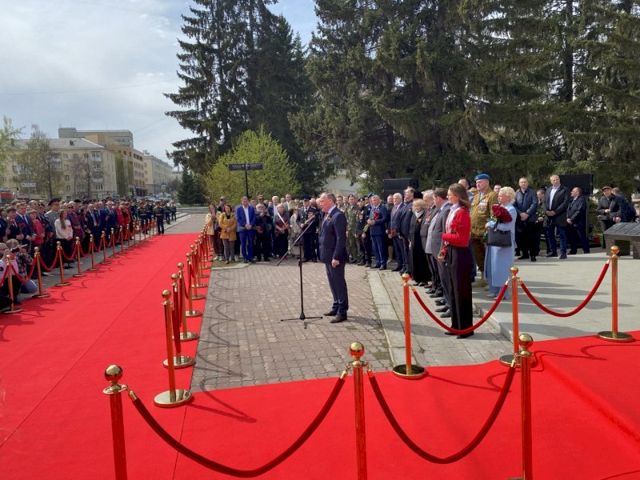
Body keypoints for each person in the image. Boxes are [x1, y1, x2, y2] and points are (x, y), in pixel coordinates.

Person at [440, 183, 474, 338]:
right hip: (452, 251)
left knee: (461, 291)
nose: (447, 196)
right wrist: (444, 249)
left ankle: (465, 328)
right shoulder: (453, 210)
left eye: (450, 194)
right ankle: (456, 325)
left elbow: (461, 239)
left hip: (461, 253)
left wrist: (443, 236)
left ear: (457, 196)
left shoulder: (463, 213)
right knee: (454, 290)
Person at [318, 192, 349, 323]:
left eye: (322, 201)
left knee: (339, 283)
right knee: (332, 283)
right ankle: (336, 306)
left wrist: (336, 256)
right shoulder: (327, 215)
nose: (320, 204)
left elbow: (341, 238)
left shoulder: (338, 215)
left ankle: (342, 311)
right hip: (327, 256)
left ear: (330, 201)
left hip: (335, 257)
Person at [484, 187, 517, 299]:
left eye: (501, 195)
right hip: (495, 240)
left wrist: (491, 225)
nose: (499, 197)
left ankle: (503, 293)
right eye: (498, 195)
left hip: (504, 242)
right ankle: (494, 290)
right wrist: (490, 222)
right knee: (493, 266)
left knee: (502, 267)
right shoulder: (500, 207)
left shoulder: (511, 209)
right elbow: (494, 220)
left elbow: (507, 226)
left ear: (508, 197)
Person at [470, 173, 498, 286]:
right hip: (474, 231)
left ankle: (490, 280)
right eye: (476, 182)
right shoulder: (476, 196)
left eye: (480, 182)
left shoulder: (492, 195)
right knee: (478, 255)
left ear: (487, 182)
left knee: (488, 256)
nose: (477, 184)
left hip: (485, 231)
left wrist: (490, 228)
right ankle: (483, 277)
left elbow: (494, 214)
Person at [544, 174, 569, 259]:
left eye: (557, 179)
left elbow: (565, 203)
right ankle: (553, 252)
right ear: (551, 181)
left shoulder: (565, 189)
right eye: (553, 180)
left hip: (560, 215)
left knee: (562, 235)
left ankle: (563, 253)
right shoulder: (548, 189)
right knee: (550, 234)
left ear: (559, 180)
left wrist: (555, 212)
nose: (555, 181)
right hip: (549, 216)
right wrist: (546, 211)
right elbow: (544, 202)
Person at [514, 177, 538, 261]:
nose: (523, 183)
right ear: (519, 184)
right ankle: (524, 254)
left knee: (531, 238)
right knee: (521, 237)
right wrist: (520, 213)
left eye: (525, 182)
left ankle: (533, 255)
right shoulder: (517, 193)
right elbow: (514, 205)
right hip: (520, 218)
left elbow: (534, 204)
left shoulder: (532, 192)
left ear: (527, 183)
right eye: (521, 182)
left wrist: (527, 213)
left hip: (530, 218)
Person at [408, 199, 430, 286]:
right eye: (415, 206)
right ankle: (416, 278)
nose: (416, 208)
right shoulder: (414, 215)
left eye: (418, 206)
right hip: (413, 241)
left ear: (422, 206)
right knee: (414, 259)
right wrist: (410, 240)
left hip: (421, 242)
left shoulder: (425, 215)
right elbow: (410, 228)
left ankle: (424, 279)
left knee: (422, 260)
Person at [367, 194, 388, 270]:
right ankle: (378, 262)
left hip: (379, 231)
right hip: (372, 231)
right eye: (372, 200)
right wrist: (368, 220)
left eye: (375, 200)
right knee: (375, 248)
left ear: (379, 200)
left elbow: (385, 218)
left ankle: (383, 263)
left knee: (381, 248)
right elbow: (370, 217)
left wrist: (375, 222)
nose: (373, 201)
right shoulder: (372, 208)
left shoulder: (382, 208)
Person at [567, 186, 590, 254]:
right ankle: (573, 250)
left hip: (578, 222)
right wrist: (567, 218)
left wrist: (571, 219)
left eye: (573, 191)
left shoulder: (581, 200)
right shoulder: (572, 200)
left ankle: (586, 250)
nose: (571, 192)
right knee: (572, 237)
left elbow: (579, 211)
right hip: (570, 222)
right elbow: (568, 210)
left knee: (581, 237)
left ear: (577, 192)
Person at [235, 196, 256, 263]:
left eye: (246, 201)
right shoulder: (238, 209)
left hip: (250, 228)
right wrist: (245, 225)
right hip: (242, 229)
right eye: (243, 201)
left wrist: (251, 225)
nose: (245, 202)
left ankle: (250, 257)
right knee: (243, 244)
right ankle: (245, 258)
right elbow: (238, 218)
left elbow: (254, 218)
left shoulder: (251, 208)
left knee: (250, 243)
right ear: (241, 202)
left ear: (248, 201)